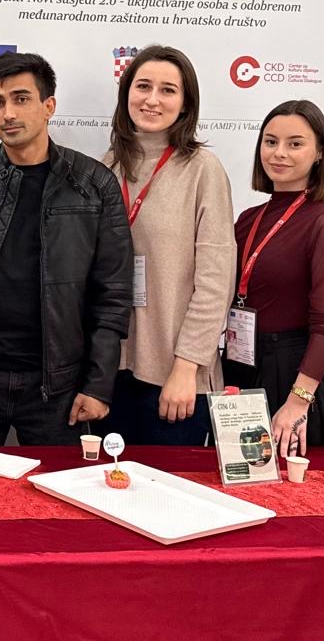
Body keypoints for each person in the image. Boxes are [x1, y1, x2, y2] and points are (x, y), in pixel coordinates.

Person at [0, 52, 131, 445]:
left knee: (58, 485)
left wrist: (98, 383)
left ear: (48, 106)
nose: (8, 113)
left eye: (21, 99)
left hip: (57, 385)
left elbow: (113, 292)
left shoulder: (94, 184)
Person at [99, 45, 235, 445]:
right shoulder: (108, 166)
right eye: (143, 86)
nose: (152, 99)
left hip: (174, 378)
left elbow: (215, 282)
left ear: (186, 103)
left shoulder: (202, 170)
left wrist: (187, 366)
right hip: (112, 371)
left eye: (167, 90)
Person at [223, 100, 324, 455]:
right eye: (270, 142)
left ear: (319, 152)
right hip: (240, 364)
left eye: (295, 143)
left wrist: (298, 402)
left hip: (291, 377)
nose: (279, 153)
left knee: (289, 486)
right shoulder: (248, 219)